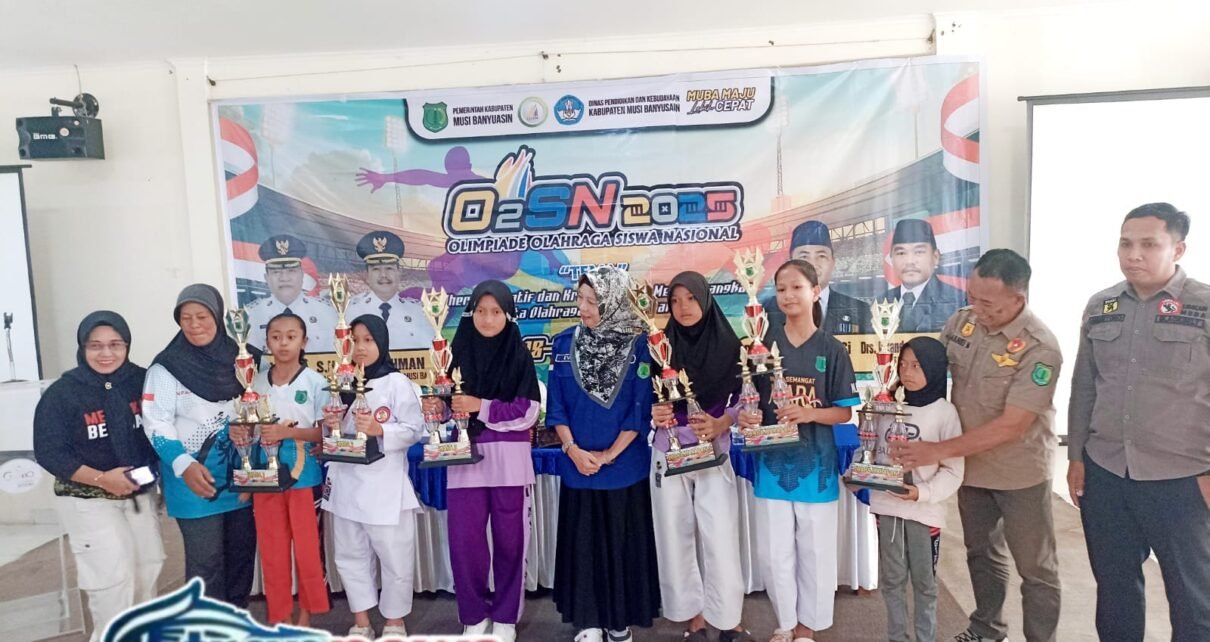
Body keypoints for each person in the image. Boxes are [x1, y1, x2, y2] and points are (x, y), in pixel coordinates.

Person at [891, 249, 1062, 642]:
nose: (977, 309)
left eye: (988, 303)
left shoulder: (1039, 348)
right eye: (972, 296)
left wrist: (937, 451)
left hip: (1019, 472)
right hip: (970, 467)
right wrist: (895, 394)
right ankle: (987, 628)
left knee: (1036, 568)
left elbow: (1013, 424)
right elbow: (931, 371)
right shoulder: (962, 323)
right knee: (981, 554)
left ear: (1017, 299)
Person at [1067, 202, 1210, 641]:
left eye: (1149, 244)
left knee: (1193, 598)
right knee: (1115, 590)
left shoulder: (1203, 305)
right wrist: (1076, 457)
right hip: (1107, 472)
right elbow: (1084, 386)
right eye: (1126, 244)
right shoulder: (1102, 305)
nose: (1133, 254)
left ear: (1178, 249)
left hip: (1182, 477)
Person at [738, 259, 860, 642]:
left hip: (816, 466)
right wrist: (747, 415)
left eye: (797, 287)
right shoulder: (761, 346)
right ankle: (785, 623)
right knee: (774, 554)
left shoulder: (831, 349)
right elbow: (749, 401)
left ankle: (808, 627)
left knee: (815, 553)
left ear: (815, 292)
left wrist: (809, 413)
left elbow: (844, 411)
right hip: (771, 464)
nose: (788, 295)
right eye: (781, 289)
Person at [33, 311, 165, 641]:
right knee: (111, 579)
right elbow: (50, 452)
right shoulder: (62, 393)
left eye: (115, 345)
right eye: (96, 345)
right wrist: (102, 479)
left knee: (148, 568)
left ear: (127, 345)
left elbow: (160, 429)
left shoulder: (142, 381)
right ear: (82, 347)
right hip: (89, 499)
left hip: (140, 493)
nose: (106, 353)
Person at [422, 280, 541, 642]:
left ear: (508, 316)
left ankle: (505, 618)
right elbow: (447, 408)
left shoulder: (519, 355)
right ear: (470, 313)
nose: (488, 319)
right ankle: (473, 617)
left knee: (511, 544)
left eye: (496, 312)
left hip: (509, 465)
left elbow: (529, 412)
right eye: (481, 311)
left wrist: (481, 406)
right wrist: (437, 409)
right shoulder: (453, 354)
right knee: (465, 544)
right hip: (465, 462)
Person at [547, 266, 660, 642]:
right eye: (580, 298)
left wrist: (611, 454)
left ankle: (619, 622)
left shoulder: (640, 345)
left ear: (613, 303)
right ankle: (589, 622)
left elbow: (640, 408)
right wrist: (573, 450)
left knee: (622, 544)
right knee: (584, 547)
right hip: (578, 465)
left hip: (624, 466)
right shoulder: (563, 344)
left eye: (592, 301)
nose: (582, 308)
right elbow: (556, 407)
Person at [649, 271, 753, 642]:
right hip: (669, 452)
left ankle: (729, 620)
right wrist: (655, 413)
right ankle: (693, 617)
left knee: (721, 536)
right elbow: (645, 396)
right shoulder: (658, 347)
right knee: (674, 535)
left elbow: (746, 398)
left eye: (691, 298)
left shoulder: (730, 346)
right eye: (675, 301)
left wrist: (723, 421)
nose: (683, 307)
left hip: (714, 450)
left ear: (706, 299)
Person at [143, 284, 257, 607]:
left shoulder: (244, 358)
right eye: (186, 318)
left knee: (241, 557)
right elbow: (156, 421)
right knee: (206, 563)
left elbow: (259, 408)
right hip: (193, 479)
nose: (194, 325)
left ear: (217, 317)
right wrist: (184, 465)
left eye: (202, 316)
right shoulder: (166, 367)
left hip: (239, 477)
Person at [320, 315, 426, 639]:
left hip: (384, 486)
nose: (361, 347)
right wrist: (329, 424)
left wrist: (381, 430)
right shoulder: (340, 381)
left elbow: (414, 430)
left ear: (382, 342)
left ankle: (394, 621)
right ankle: (361, 621)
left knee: (394, 557)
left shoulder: (397, 383)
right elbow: (330, 434)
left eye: (368, 340)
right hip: (346, 484)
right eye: (354, 340)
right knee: (350, 556)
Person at [867, 337, 963, 642]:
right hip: (888, 507)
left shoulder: (944, 413)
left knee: (924, 583)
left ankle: (925, 637)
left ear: (933, 369)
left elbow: (954, 471)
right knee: (892, 580)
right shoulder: (885, 406)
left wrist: (922, 492)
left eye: (917, 366)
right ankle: (897, 636)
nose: (907, 372)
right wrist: (862, 472)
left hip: (924, 512)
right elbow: (868, 448)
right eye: (903, 365)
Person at [244, 312, 330, 626]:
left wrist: (288, 433)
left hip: (303, 475)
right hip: (265, 475)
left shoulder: (316, 382)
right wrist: (243, 432)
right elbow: (249, 426)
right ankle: (280, 616)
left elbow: (325, 434)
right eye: (276, 336)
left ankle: (306, 615)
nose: (283, 343)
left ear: (304, 342)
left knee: (307, 551)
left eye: (291, 337)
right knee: (273, 549)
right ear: (267, 341)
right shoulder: (253, 382)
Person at [764, 220, 872, 334]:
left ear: (832, 262)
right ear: (789, 263)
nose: (813, 264)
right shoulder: (767, 310)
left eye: (821, 256)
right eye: (804, 256)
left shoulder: (860, 311)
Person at [245, 234, 336, 353]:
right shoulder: (250, 316)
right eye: (276, 272)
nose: (284, 278)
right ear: (266, 278)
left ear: (302, 275)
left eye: (291, 271)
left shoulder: (327, 312)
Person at [346, 230, 435, 350]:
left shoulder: (420, 311)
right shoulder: (350, 311)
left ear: (399, 272)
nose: (383, 275)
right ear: (367, 275)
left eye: (389, 268)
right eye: (376, 269)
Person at [883, 219, 965, 332]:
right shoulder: (880, 301)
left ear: (935, 257)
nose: (909, 261)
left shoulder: (956, 300)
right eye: (901, 253)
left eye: (919, 252)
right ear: (892, 258)